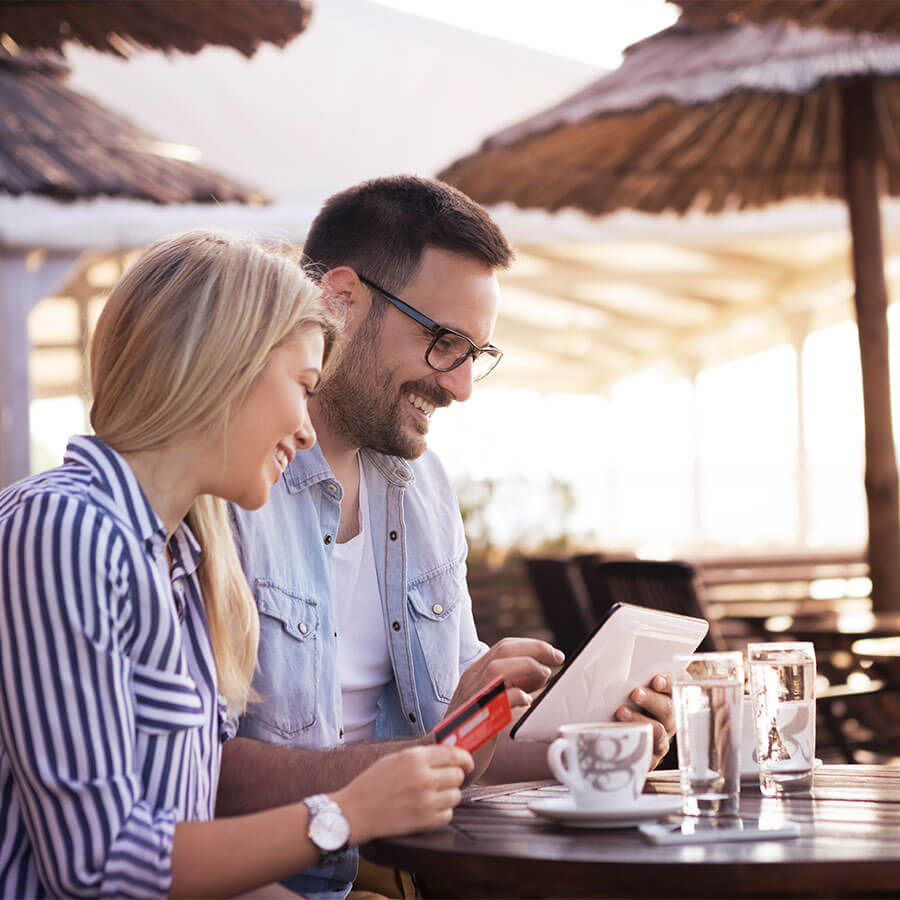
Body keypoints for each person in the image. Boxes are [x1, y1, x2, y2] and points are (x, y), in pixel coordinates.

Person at [223, 177, 675, 898]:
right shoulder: (225, 484)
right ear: (339, 298)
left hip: (405, 868)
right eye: (443, 342)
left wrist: (598, 745)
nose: (462, 386)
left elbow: (464, 750)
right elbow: (192, 776)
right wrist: (434, 752)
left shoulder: (422, 486)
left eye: (475, 354)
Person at [0, 230, 474, 899]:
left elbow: (183, 849)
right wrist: (347, 813)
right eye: (303, 386)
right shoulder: (65, 529)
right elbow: (97, 870)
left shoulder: (183, 560)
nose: (309, 430)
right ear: (221, 367)